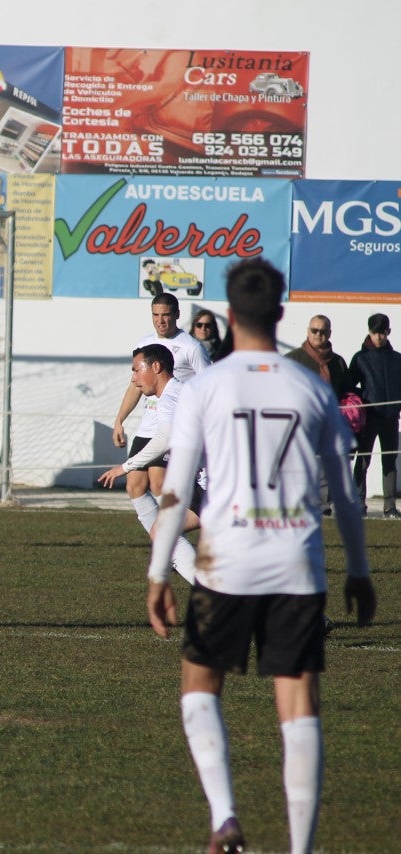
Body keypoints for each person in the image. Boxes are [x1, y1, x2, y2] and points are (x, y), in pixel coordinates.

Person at [147, 257, 376, 854]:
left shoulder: (205, 387)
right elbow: (347, 493)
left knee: (200, 685)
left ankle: (225, 816)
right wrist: (358, 570)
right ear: (280, 315)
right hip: (296, 565)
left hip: (225, 562)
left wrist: (157, 571)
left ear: (227, 315)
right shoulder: (310, 387)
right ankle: (300, 847)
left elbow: (174, 486)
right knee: (298, 706)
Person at [112, 292, 210, 548]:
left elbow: (210, 386)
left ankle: (170, 544)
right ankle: (165, 542)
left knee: (158, 482)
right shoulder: (145, 344)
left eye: (166, 314)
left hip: (173, 429)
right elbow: (135, 386)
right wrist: (119, 420)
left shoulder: (191, 347)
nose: (160, 320)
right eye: (156, 314)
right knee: (133, 485)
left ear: (177, 315)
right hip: (148, 426)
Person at [96, 343, 198, 583]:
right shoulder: (182, 392)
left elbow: (164, 438)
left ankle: (219, 600)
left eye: (136, 370)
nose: (133, 379)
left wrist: (126, 466)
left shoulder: (171, 396)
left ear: (156, 367)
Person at [286, 316, 351, 516]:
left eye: (322, 331)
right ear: (307, 331)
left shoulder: (338, 362)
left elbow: (345, 391)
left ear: (329, 334)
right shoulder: (293, 359)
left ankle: (323, 506)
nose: (318, 335)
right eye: (314, 330)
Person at [345, 313, 401, 518]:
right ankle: (358, 504)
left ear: (389, 332)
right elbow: (349, 386)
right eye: (375, 332)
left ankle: (390, 507)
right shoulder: (360, 358)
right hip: (368, 418)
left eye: (383, 332)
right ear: (369, 332)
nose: (379, 336)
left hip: (391, 418)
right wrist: (365, 399)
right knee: (363, 461)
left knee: (389, 462)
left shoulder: (397, 359)